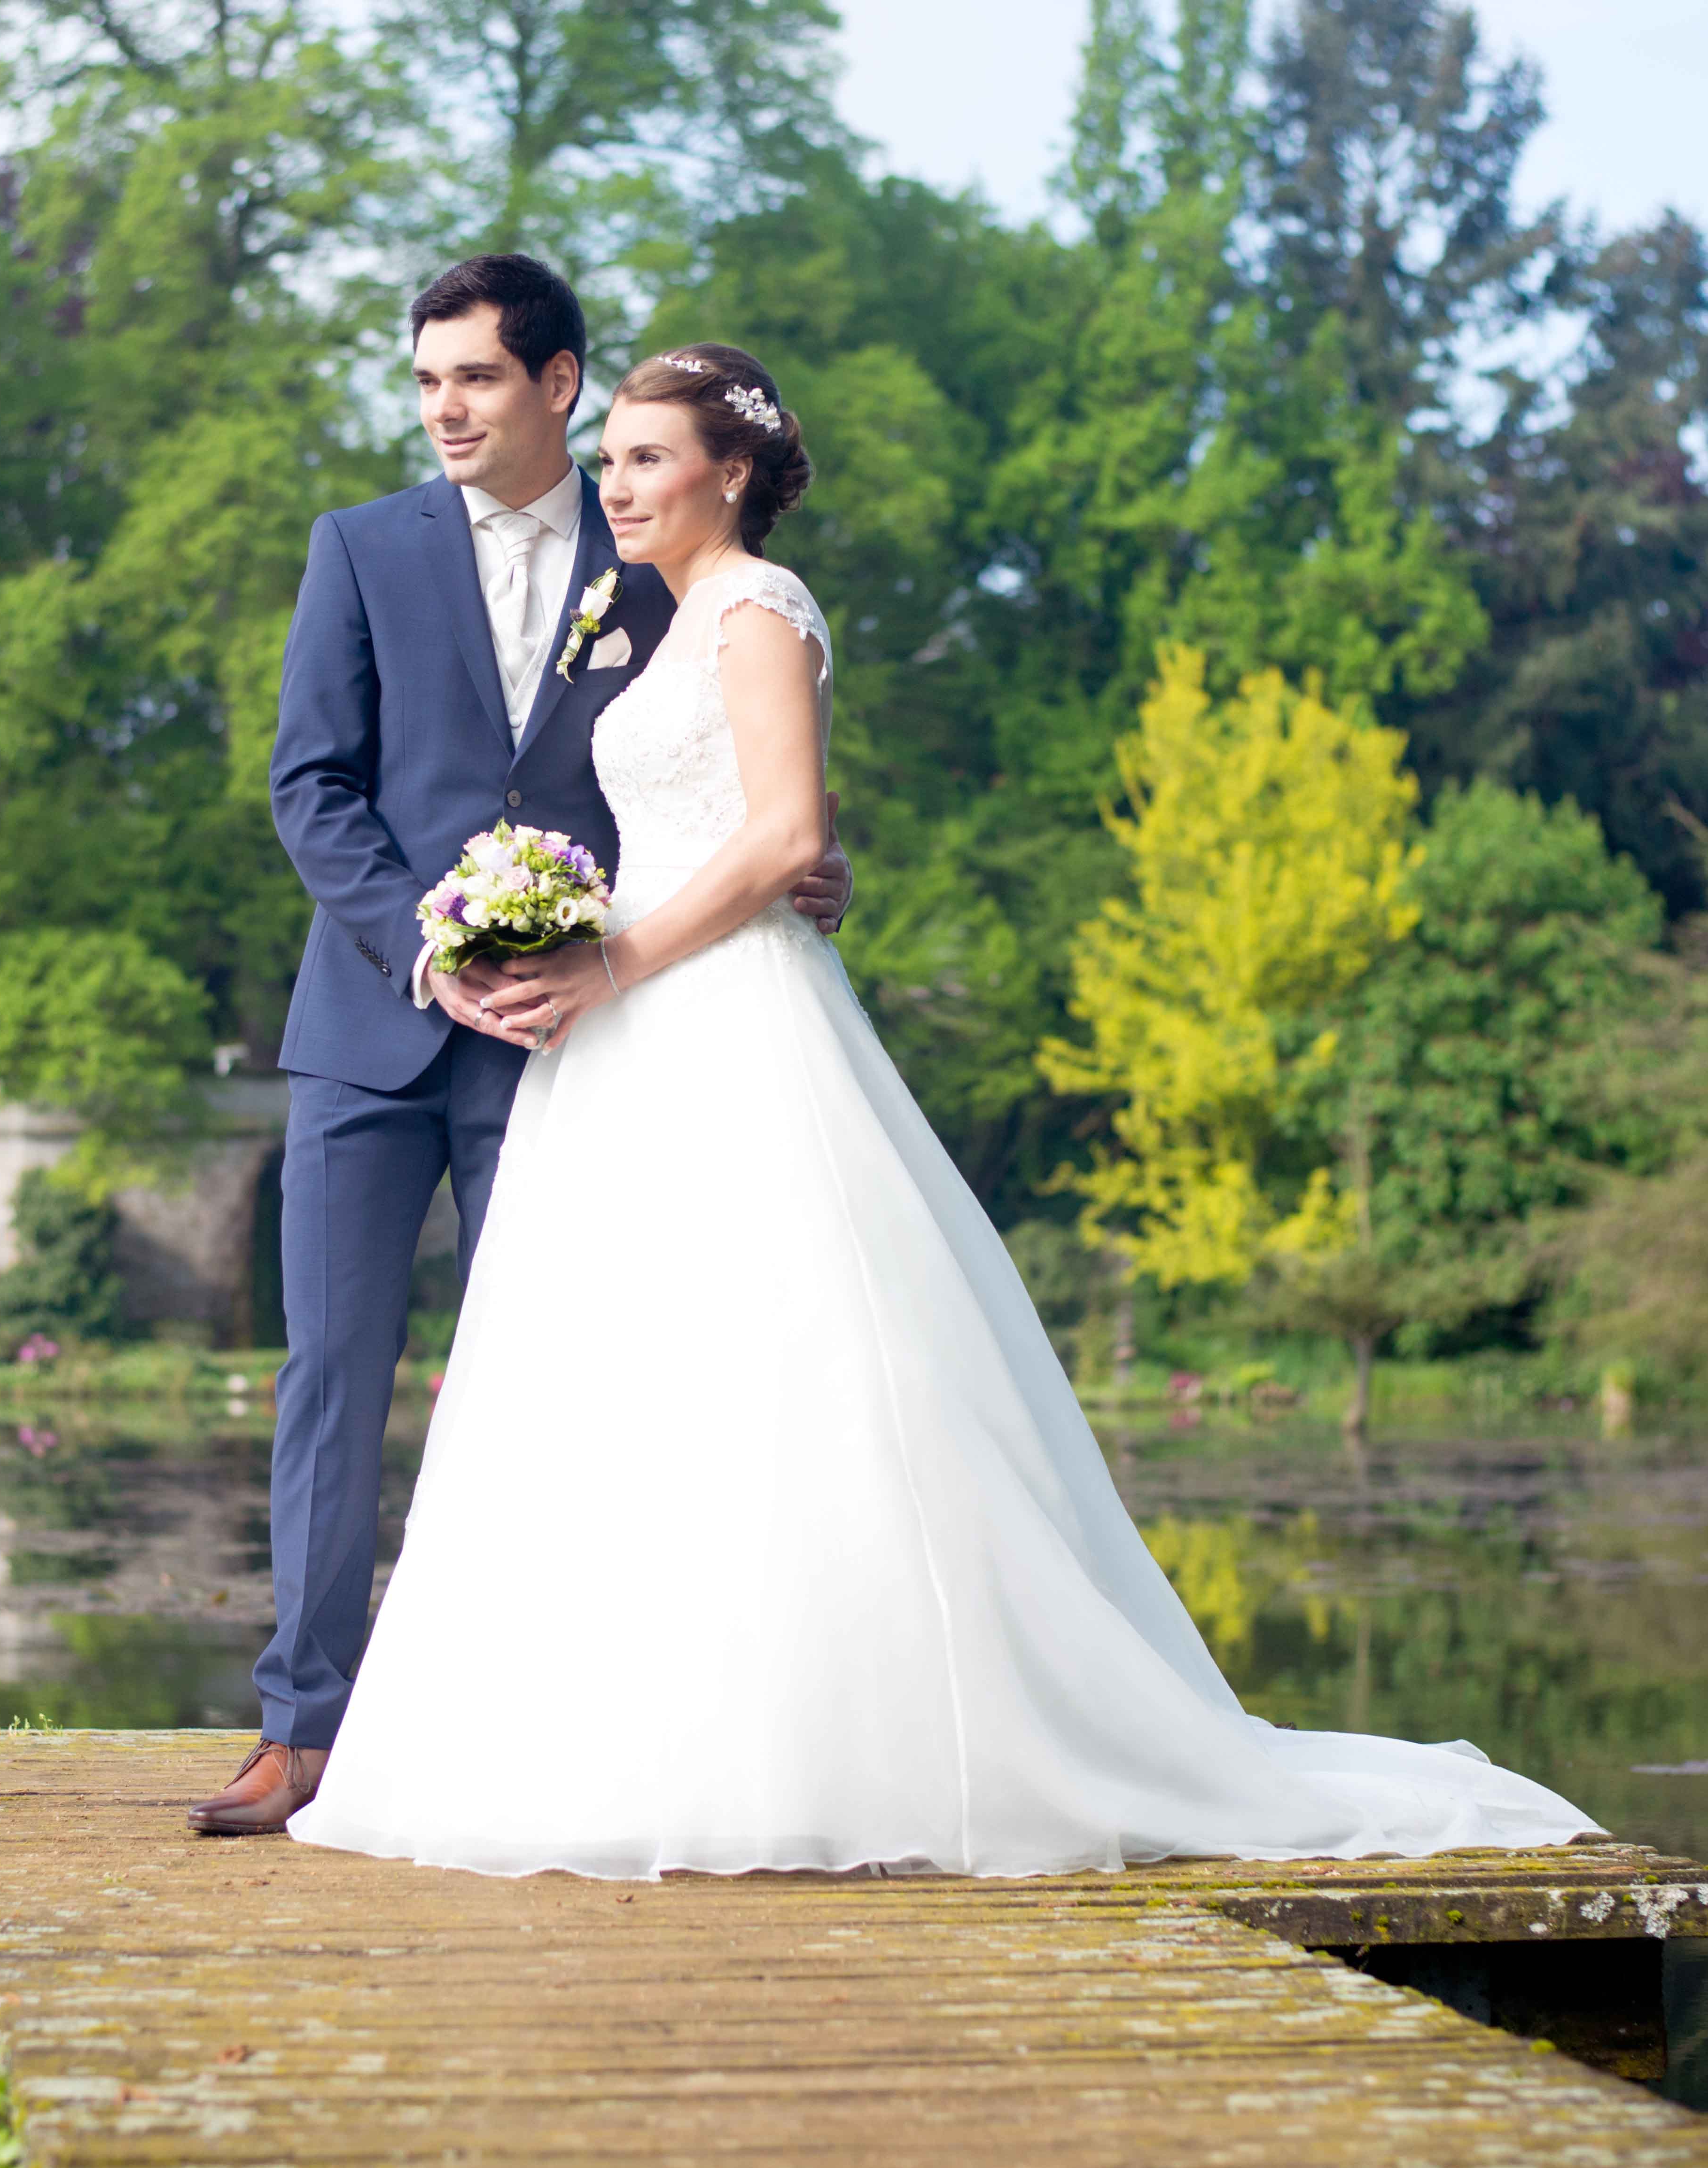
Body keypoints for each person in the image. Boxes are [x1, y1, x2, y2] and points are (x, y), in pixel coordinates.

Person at [286, 344, 1600, 1877]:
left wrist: (625, 953)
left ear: (729, 471)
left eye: (646, 458)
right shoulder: (660, 616)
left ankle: (857, 1746)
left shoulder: (759, 607)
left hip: (710, 1014)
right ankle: (641, 1734)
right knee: (640, 1376)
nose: (616, 485)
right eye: (615, 458)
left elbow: (787, 829)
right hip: (623, 1035)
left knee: (799, 1365)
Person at [192, 258, 853, 1834]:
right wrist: (426, 945)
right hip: (369, 1028)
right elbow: (309, 788)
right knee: (330, 1374)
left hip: (572, 1047)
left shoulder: (660, 556)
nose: (444, 408)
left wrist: (813, 866)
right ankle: (301, 1729)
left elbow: (740, 774)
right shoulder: (357, 549)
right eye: (426, 380)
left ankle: (527, 1727)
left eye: (475, 377)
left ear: (556, 383)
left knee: (554, 1385)